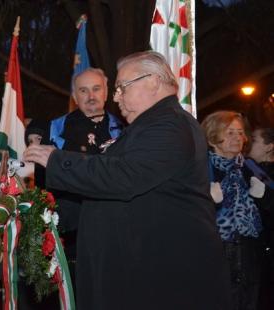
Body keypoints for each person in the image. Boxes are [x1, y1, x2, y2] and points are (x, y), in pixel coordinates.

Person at [24, 51, 230, 309]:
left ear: (153, 81)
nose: (116, 97)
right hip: (142, 273)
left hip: (161, 278)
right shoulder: (148, 126)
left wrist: (57, 160)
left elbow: (121, 176)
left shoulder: (169, 125)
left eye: (122, 88)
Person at [49, 68, 122, 275]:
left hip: (114, 229)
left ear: (106, 92)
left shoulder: (124, 128)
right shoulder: (57, 130)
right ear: (74, 96)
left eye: (96, 89)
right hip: (72, 232)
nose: (91, 96)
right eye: (83, 90)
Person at [202, 111, 265, 310]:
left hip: (249, 251)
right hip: (216, 253)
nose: (237, 138)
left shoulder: (250, 167)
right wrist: (210, 202)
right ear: (213, 136)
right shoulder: (201, 168)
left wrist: (265, 199)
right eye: (230, 133)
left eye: (240, 133)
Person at [247, 127, 274, 309]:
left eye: (255, 140)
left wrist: (266, 198)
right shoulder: (244, 168)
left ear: (269, 147)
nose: (248, 142)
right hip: (255, 250)